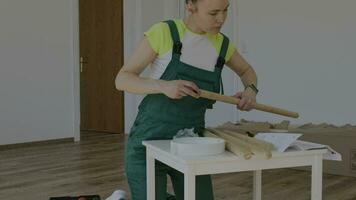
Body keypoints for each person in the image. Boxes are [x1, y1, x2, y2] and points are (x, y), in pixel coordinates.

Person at [115, 0, 258, 199]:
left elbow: (246, 70)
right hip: (148, 141)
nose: (221, 19)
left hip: (191, 143)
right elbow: (122, 79)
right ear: (190, 5)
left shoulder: (222, 45)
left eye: (226, 11)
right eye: (213, 13)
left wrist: (251, 90)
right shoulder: (164, 32)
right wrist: (163, 86)